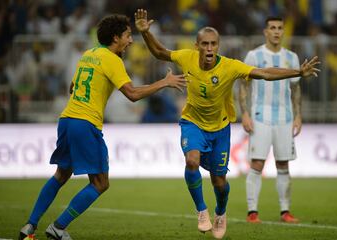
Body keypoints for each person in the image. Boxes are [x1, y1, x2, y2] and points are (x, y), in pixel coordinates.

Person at [134, 9, 319, 239]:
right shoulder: (186, 57)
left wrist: (297, 71)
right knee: (192, 161)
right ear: (197, 45)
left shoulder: (230, 66)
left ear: (218, 46)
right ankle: (202, 211)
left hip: (220, 128)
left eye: (213, 44)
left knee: (219, 181)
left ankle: (220, 213)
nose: (209, 48)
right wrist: (145, 33)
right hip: (193, 122)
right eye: (205, 44)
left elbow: (264, 73)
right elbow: (161, 52)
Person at [18, 14, 187, 240]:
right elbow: (133, 94)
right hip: (85, 123)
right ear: (116, 37)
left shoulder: (88, 55)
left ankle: (29, 226)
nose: (130, 41)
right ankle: (58, 227)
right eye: (127, 36)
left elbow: (72, 86)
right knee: (100, 183)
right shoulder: (111, 60)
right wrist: (164, 82)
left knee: (61, 174)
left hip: (67, 120)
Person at [239, 17, 303, 224]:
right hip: (260, 116)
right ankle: (252, 212)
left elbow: (295, 88)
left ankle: (285, 211)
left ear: (283, 32)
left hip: (285, 118)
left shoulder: (291, 57)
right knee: (257, 163)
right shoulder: (254, 55)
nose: (276, 32)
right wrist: (245, 113)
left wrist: (298, 115)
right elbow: (244, 85)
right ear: (265, 32)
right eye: (272, 28)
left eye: (280, 28)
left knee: (283, 164)